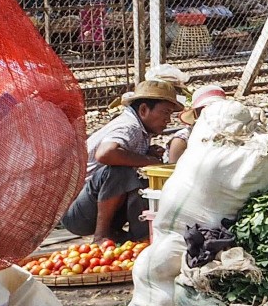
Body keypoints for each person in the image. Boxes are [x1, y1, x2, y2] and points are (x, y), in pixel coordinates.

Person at [61, 79, 181, 240]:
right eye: (165, 113)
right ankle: (101, 236)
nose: (168, 120)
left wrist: (147, 154)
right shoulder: (130, 126)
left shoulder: (140, 130)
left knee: (143, 181)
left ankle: (138, 236)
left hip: (93, 207)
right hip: (78, 213)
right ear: (144, 109)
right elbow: (106, 154)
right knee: (119, 172)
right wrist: (148, 160)